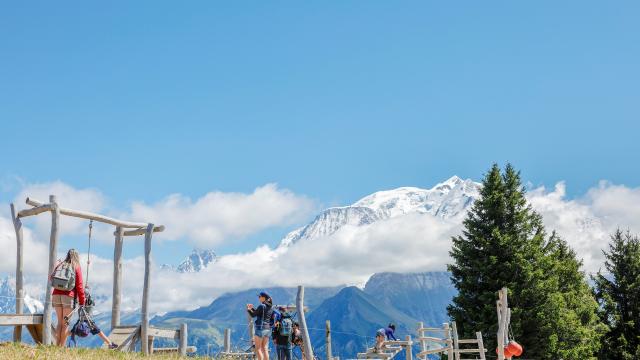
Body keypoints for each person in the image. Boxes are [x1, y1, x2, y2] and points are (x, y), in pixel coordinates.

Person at [51, 249, 85, 347]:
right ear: (77, 257)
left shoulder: (60, 265)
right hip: (68, 297)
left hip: (56, 295)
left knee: (59, 323)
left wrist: (56, 265)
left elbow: (51, 278)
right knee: (65, 324)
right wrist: (82, 301)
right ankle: (61, 347)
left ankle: (57, 345)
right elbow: (79, 286)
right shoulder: (76, 267)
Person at [247, 291, 274, 360]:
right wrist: (252, 308)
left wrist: (248, 309)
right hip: (268, 329)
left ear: (263, 298)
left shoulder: (261, 306)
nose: (258, 298)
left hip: (260, 328)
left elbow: (253, 315)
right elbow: (259, 312)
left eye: (259, 297)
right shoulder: (271, 307)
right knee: (265, 349)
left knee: (258, 348)